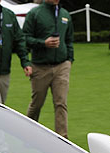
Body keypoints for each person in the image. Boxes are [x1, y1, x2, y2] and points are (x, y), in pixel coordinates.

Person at [23, 0, 73, 138]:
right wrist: (43, 43)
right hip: (40, 67)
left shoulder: (65, 14)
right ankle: (28, 135)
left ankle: (63, 139)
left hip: (61, 66)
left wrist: (69, 60)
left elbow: (69, 39)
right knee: (36, 104)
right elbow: (24, 38)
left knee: (61, 103)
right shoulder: (35, 13)